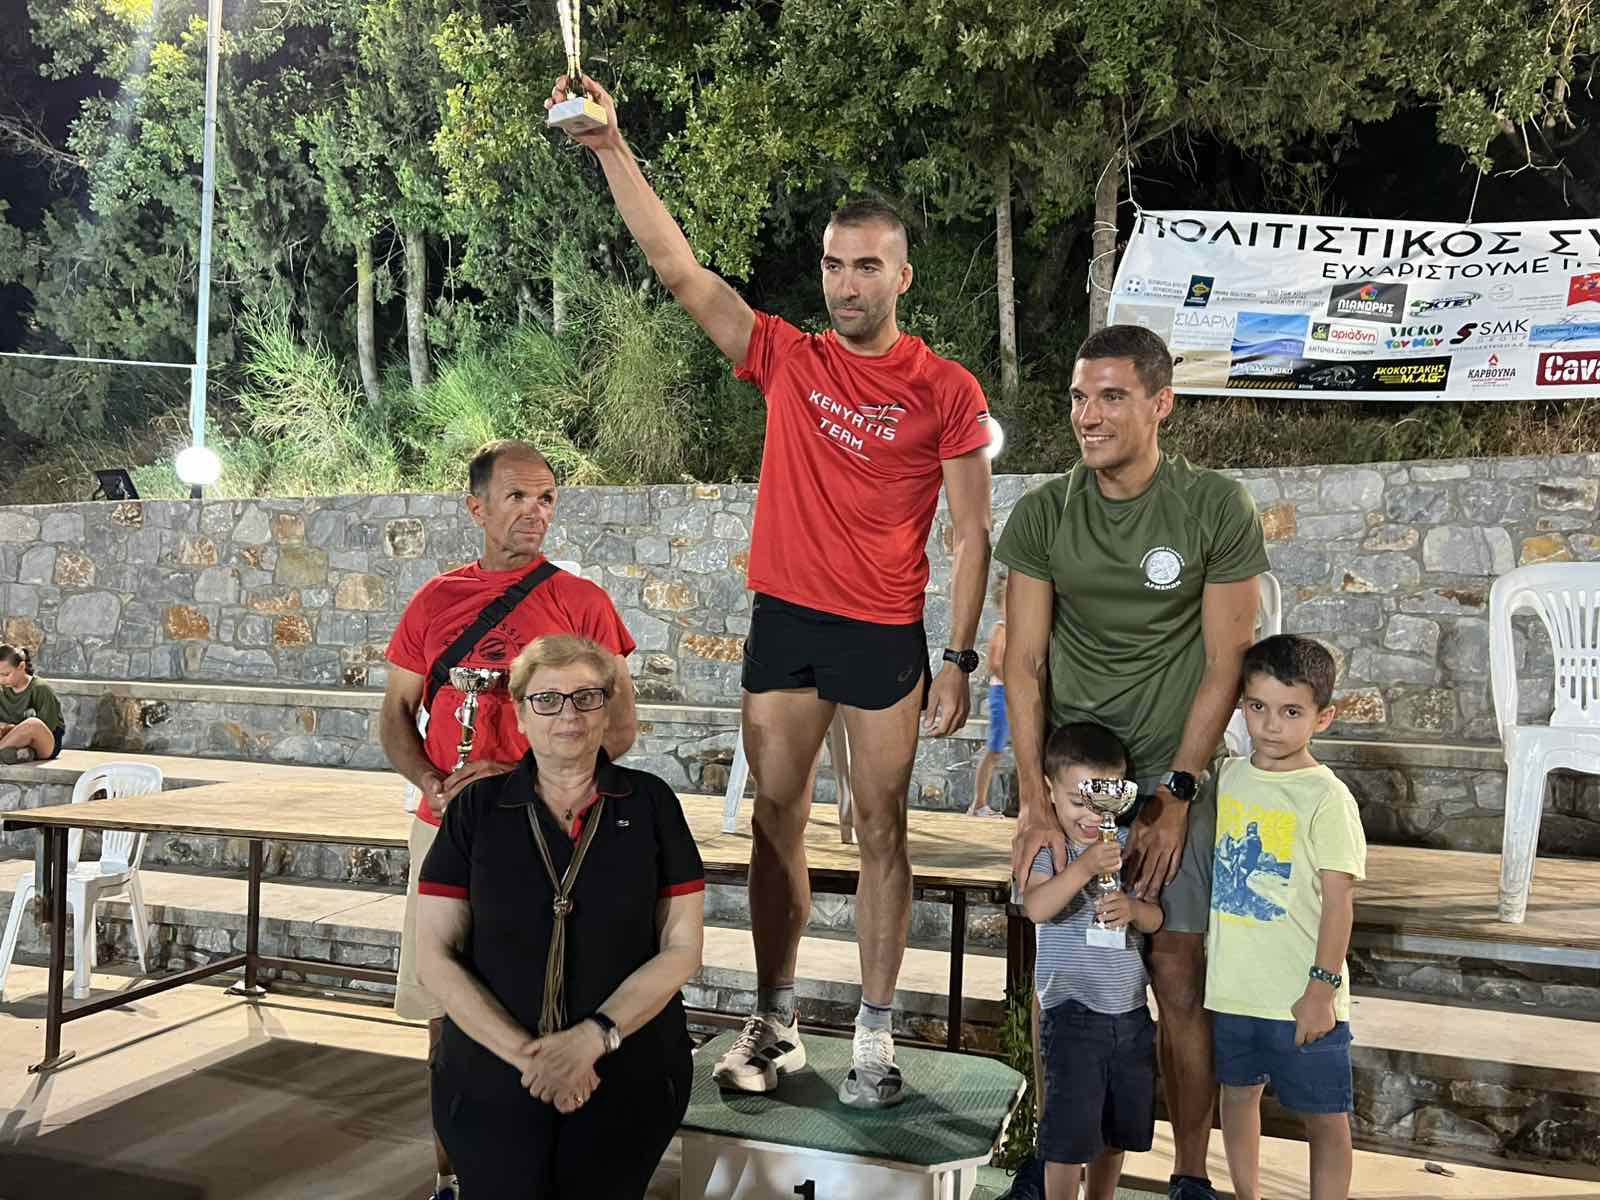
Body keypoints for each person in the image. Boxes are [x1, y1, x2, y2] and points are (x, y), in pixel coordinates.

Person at [550, 75, 993, 1108]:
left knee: (881, 828)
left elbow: (974, 532)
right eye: (834, 264)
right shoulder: (787, 358)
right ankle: (777, 1020)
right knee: (775, 821)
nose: (846, 282)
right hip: (787, 622)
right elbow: (678, 267)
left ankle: (874, 1035)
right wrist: (611, 146)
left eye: (867, 265)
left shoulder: (945, 388)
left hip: (883, 634)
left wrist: (959, 657)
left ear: (902, 275)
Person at [997, 324, 1267, 1200]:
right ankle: (1056, 1156)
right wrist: (1037, 800)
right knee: (1064, 979)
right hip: (1077, 783)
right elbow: (1023, 665)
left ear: (1161, 404)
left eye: (1112, 396)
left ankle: (1189, 1174)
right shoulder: (1045, 513)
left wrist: (1177, 794)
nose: (1089, 414)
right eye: (1080, 397)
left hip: (1170, 770)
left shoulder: (1213, 505)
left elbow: (1226, 662)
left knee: (1177, 975)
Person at [381, 439, 639, 1200]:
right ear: (477, 507)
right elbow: (395, 714)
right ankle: (451, 1178)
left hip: (549, 833)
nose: (535, 511)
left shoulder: (581, 602)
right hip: (446, 830)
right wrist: (432, 782)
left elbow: (620, 729)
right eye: (518, 496)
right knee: (444, 1006)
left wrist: (518, 775)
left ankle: (550, 1172)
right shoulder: (434, 601)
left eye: (547, 497)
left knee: (549, 996)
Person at [416, 634, 704, 1199]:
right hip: (493, 1073)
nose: (568, 714)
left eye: (586, 697)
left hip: (624, 1067)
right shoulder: (476, 809)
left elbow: (682, 949)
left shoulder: (651, 804)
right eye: (547, 699)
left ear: (606, 709)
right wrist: (533, 1060)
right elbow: (433, 955)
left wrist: (591, 1040)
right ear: (521, 714)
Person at [1209, 635, 1365, 1200]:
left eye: (1291, 712)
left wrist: (1321, 988)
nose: (1271, 725)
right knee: (1236, 1097)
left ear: (1323, 717)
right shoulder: (1228, 778)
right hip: (1232, 991)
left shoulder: (1327, 797)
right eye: (1258, 707)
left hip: (1301, 997)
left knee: (1324, 1118)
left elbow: (1339, 901)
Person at [1021, 722, 1163, 1200]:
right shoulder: (1050, 848)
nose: (1091, 814)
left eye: (1103, 802)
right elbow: (1037, 907)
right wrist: (1085, 866)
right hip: (1073, 1014)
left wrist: (1134, 910)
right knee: (1067, 1138)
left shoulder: (1130, 845)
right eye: (1078, 801)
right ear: (1050, 791)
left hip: (1131, 1014)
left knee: (1115, 1132)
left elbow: (1155, 916)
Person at [969, 572, 1010, 818]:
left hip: (1016, 695)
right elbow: (994, 664)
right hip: (1002, 693)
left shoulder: (1023, 629)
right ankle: (978, 803)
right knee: (994, 748)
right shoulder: (1001, 629)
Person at [0, 645, 64, 765]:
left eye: (6, 674)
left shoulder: (41, 688)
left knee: (32, 724)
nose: (1, 680)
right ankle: (20, 754)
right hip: (11, 741)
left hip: (44, 743)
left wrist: (10, 728)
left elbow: (47, 727)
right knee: (7, 753)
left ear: (21, 667)